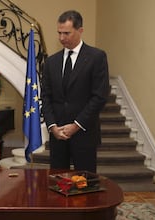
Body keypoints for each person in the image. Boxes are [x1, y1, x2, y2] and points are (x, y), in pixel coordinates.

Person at [41, 10, 110, 173]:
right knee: (57, 183)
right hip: (58, 135)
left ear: (80, 31)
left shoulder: (96, 57)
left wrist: (76, 125)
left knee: (85, 184)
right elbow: (46, 96)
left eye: (66, 33)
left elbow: (99, 97)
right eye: (59, 33)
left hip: (84, 133)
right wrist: (52, 126)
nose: (61, 38)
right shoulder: (51, 62)